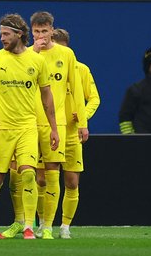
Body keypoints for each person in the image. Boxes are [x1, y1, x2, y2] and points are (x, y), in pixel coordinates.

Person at [0, 13, 59, 240]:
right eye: (0, 34)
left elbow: (47, 96)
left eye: (6, 34)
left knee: (28, 174)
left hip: (27, 127)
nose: (1, 38)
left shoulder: (37, 61)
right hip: (1, 129)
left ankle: (29, 226)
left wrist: (54, 128)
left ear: (19, 34)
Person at [52, 28, 99, 239]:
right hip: (51, 130)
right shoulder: (44, 65)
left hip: (71, 134)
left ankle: (65, 226)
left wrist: (81, 117)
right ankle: (44, 224)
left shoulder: (81, 70)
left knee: (71, 181)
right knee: (43, 179)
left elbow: (94, 98)